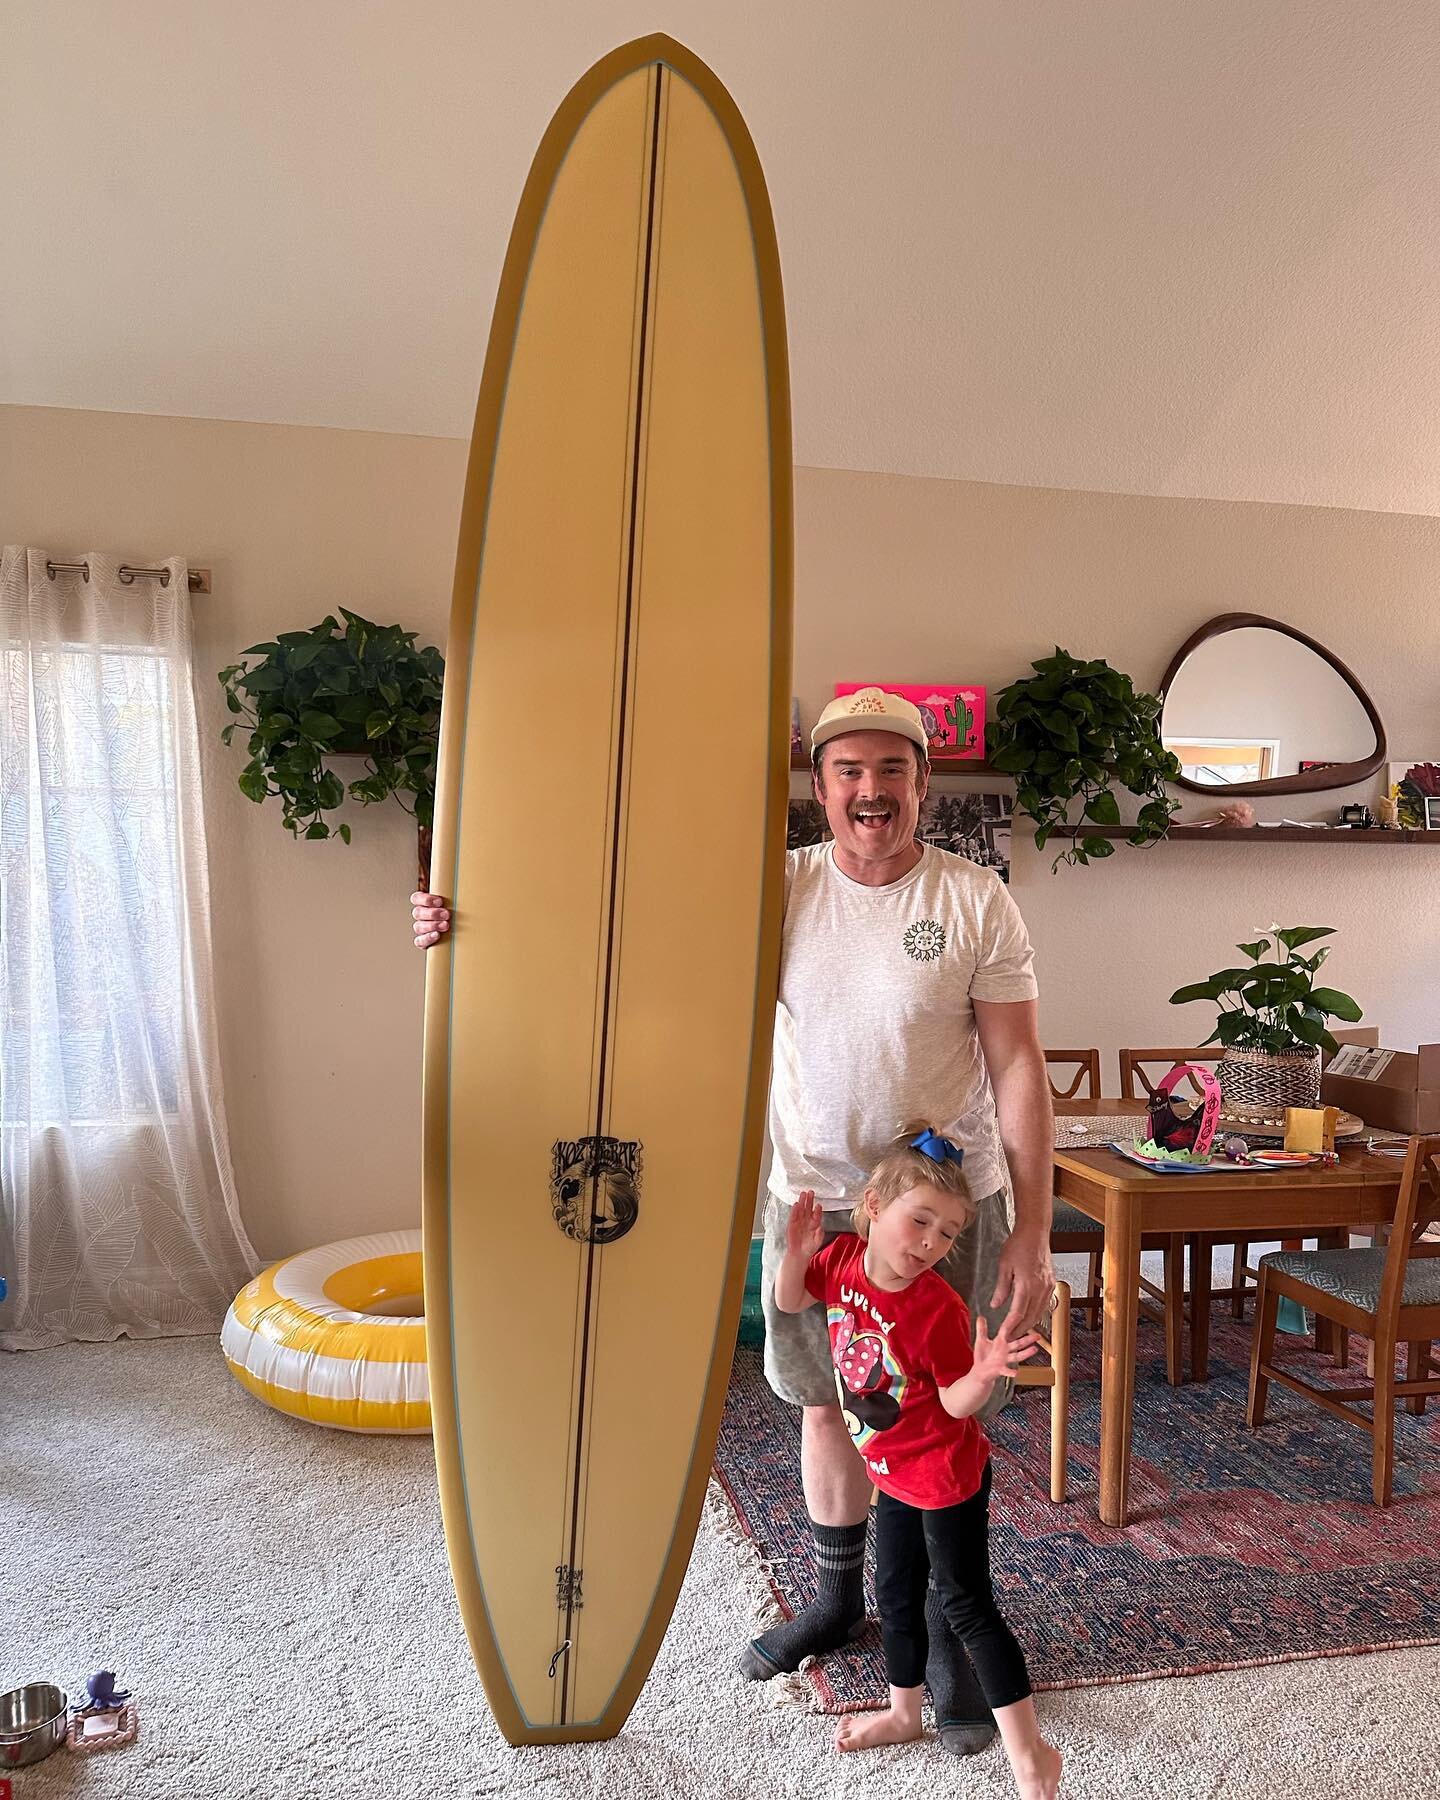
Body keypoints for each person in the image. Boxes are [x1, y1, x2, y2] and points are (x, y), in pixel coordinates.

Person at [410, 685, 1054, 1756]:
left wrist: (1033, 1226)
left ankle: (940, 1624)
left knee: (937, 1414)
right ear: (820, 787)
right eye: (848, 771)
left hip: (942, 1208)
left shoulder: (978, 900)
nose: (870, 791)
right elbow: (622, 941)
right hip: (813, 1197)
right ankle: (838, 1597)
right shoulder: (778, 891)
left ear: (924, 784)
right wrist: (466, 923)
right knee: (823, 1401)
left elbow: (1018, 1063)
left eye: (892, 770)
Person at [775, 1128, 1061, 1799]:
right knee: (894, 1595)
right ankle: (905, 1713)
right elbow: (792, 1300)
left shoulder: (936, 1305)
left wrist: (986, 1371)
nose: (930, 1244)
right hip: (891, 1473)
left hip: (945, 1477)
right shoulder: (842, 1260)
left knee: (967, 1607)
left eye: (947, 1234)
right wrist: (795, 1254)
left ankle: (1030, 1752)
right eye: (920, 1222)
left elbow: (958, 1404)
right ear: (872, 1206)